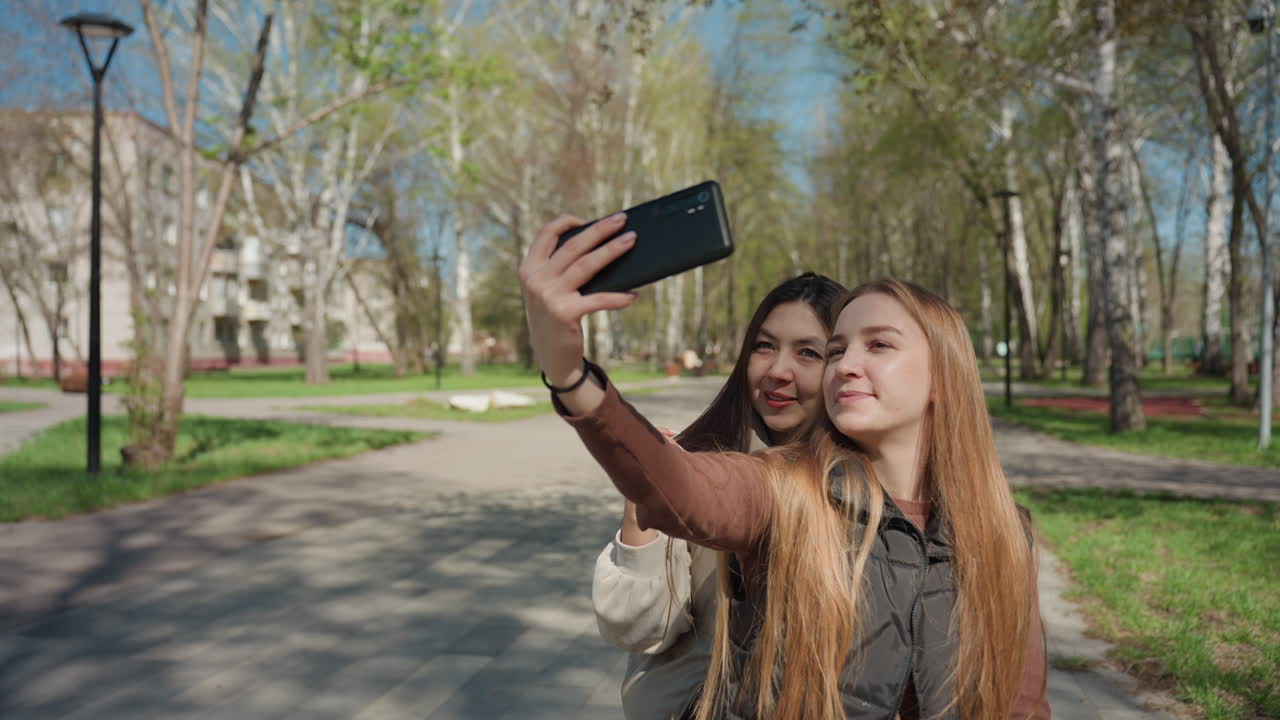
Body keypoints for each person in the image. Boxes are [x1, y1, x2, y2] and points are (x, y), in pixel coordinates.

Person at [520, 213, 1050, 720]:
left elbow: (1022, 704)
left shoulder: (1003, 531)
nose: (846, 364)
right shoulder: (788, 488)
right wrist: (570, 375)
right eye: (838, 350)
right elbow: (682, 489)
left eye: (877, 345)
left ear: (945, 377)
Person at [592, 272, 846, 720]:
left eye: (808, 352)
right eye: (764, 346)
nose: (776, 371)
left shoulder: (866, 484)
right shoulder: (698, 464)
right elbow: (638, 628)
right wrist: (643, 506)